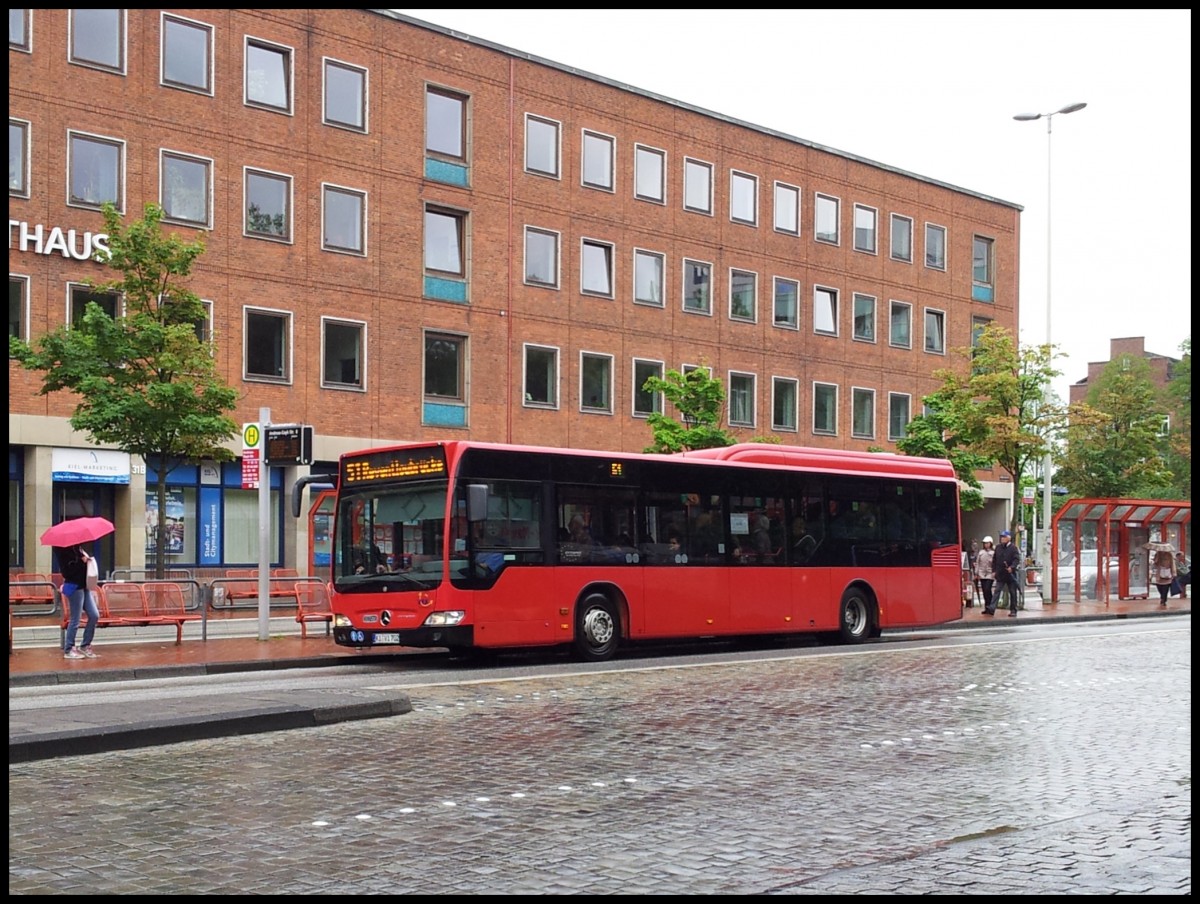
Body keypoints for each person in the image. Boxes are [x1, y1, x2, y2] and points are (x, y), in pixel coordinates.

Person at [56, 543, 101, 659]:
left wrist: (85, 560)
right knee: (75, 618)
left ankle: (85, 645)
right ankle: (69, 648)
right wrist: (82, 562)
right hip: (74, 586)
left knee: (94, 615)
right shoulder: (64, 551)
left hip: (84, 585)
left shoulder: (77, 548)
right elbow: (68, 572)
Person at [992, 530, 1022, 617]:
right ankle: (992, 608)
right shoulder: (998, 547)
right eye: (1001, 537)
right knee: (997, 591)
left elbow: (1016, 559)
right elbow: (994, 560)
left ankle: (1013, 610)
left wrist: (1012, 567)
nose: (1002, 539)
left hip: (1010, 575)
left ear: (1008, 538)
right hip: (1000, 574)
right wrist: (994, 571)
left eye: (1004, 537)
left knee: (1012, 592)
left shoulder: (1013, 548)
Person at [975, 536, 996, 614]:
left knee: (988, 589)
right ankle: (987, 607)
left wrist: (995, 572)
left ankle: (991, 606)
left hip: (990, 573)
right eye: (985, 543)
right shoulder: (981, 552)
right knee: (984, 591)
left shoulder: (993, 553)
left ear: (990, 543)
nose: (986, 545)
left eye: (987, 543)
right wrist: (976, 573)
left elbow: (995, 563)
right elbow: (978, 563)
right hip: (981, 573)